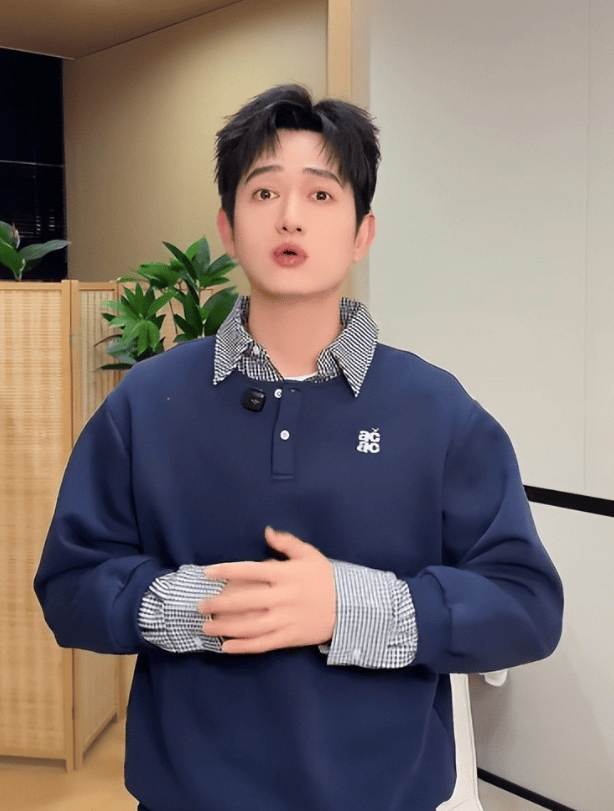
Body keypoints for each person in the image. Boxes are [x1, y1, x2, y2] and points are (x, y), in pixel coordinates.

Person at [34, 84, 564, 811]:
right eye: (264, 192)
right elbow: (70, 586)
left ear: (362, 233)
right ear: (227, 227)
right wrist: (196, 606)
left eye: (320, 194)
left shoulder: (437, 409)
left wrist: (349, 607)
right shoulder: (146, 402)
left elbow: (526, 605)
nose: (290, 215)